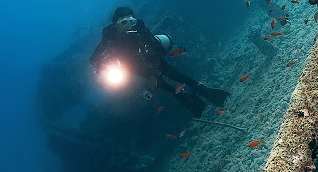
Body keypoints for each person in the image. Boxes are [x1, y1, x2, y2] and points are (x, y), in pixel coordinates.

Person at [90, 6, 229, 117]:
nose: (129, 25)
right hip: (129, 64)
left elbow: (153, 43)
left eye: (131, 21)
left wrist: (154, 58)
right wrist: (99, 66)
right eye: (124, 22)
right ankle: (182, 96)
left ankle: (201, 89)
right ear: (116, 24)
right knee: (157, 80)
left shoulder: (139, 26)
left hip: (148, 55)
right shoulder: (109, 35)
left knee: (170, 72)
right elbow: (95, 57)